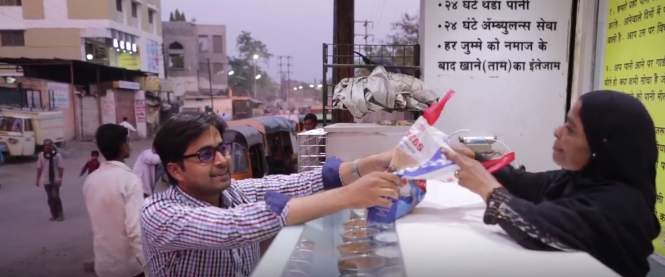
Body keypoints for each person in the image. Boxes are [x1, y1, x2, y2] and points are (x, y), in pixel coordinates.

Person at [141, 113, 400, 277]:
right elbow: (234, 226)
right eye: (205, 155)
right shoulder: (158, 213)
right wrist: (350, 196)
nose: (221, 161)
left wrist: (370, 163)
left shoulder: (234, 192)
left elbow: (300, 183)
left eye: (222, 149)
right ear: (176, 170)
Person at [444, 90, 660, 277]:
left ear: (602, 147)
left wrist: (487, 188)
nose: (558, 131)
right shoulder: (580, 179)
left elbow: (536, 228)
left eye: (571, 129)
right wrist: (476, 159)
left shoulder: (619, 205)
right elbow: (524, 183)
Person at [83, 124, 146, 277]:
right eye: (127, 142)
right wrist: (146, 265)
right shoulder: (130, 181)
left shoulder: (91, 180)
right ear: (123, 146)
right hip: (129, 268)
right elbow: (136, 231)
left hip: (103, 265)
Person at [36, 139, 64, 221]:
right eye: (45, 145)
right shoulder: (41, 155)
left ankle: (60, 214)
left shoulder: (57, 155)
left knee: (55, 196)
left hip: (55, 180)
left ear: (51, 145)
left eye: (49, 145)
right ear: (43, 146)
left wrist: (60, 179)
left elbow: (60, 168)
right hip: (46, 180)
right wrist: (37, 179)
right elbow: (39, 168)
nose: (47, 147)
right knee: (50, 198)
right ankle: (53, 214)